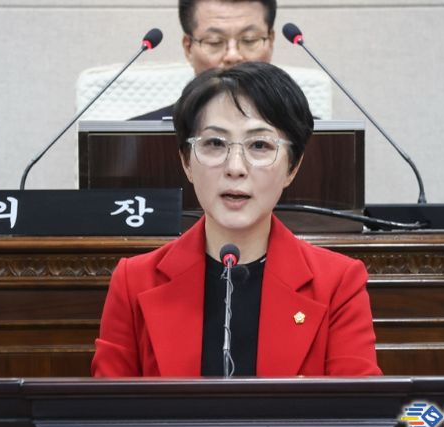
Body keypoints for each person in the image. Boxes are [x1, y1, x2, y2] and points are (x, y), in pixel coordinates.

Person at [93, 61, 381, 377]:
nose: (235, 168)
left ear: (292, 167)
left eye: (259, 145)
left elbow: (358, 405)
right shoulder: (134, 281)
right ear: (186, 162)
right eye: (215, 144)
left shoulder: (338, 284)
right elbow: (107, 405)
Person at [133, 0, 276, 120]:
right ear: (188, 48)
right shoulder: (140, 134)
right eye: (214, 42)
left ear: (270, 41)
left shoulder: (291, 125)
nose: (233, 56)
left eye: (249, 40)